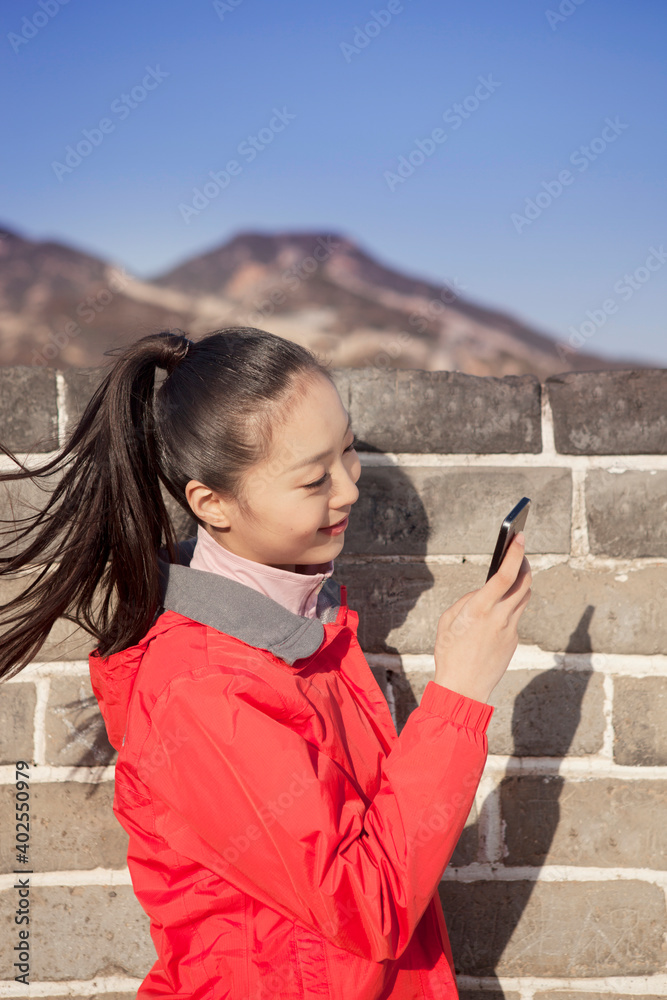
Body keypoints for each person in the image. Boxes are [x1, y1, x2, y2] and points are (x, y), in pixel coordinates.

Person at [0, 327, 532, 999]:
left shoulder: (301, 628)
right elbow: (369, 905)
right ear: (210, 503)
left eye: (347, 451)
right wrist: (459, 692)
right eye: (313, 478)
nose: (347, 490)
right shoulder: (205, 689)